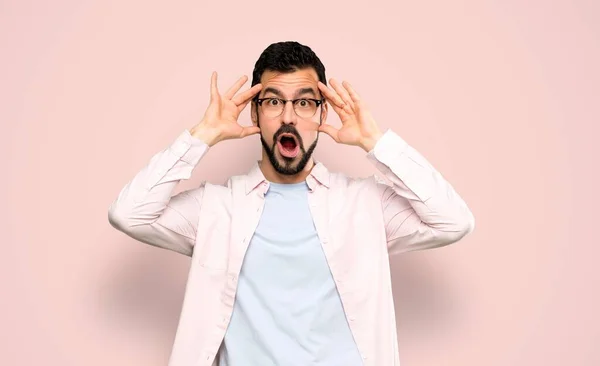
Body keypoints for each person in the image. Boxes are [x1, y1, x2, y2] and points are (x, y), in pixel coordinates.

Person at [108, 41, 475, 366]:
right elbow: (130, 213)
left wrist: (376, 143)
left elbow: (453, 221)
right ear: (254, 114)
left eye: (303, 102)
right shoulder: (218, 209)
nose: (288, 116)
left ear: (321, 114)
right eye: (272, 102)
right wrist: (202, 136)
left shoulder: (364, 204)